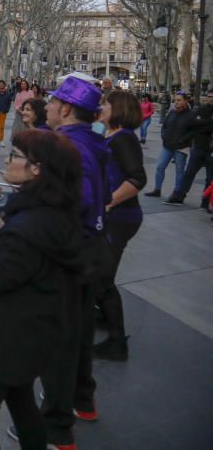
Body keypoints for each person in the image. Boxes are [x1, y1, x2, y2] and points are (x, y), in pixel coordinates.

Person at [0, 129, 83, 450]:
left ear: (36, 168)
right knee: (23, 405)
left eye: (15, 156)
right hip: (30, 336)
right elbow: (16, 255)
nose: (7, 160)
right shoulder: (53, 212)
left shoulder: (30, 225)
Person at [38, 75, 111, 447]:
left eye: (51, 101)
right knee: (80, 333)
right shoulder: (92, 142)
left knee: (58, 340)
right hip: (94, 247)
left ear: (66, 109)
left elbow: (74, 201)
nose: (46, 106)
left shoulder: (66, 146)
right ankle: (84, 400)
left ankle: (56, 426)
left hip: (71, 253)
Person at [94, 90, 145, 362]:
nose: (101, 107)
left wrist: (109, 203)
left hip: (121, 219)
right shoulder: (112, 136)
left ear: (118, 109)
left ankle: (117, 342)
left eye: (105, 103)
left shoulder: (123, 138)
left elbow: (137, 179)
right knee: (100, 272)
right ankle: (103, 316)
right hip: (115, 218)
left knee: (103, 278)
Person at [163, 88, 213, 206]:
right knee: (188, 173)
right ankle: (178, 197)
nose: (211, 98)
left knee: (210, 178)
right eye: (210, 96)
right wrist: (209, 122)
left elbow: (201, 125)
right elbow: (193, 123)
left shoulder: (201, 111)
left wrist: (202, 123)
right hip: (198, 147)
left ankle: (205, 203)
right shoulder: (203, 108)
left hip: (210, 149)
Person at [143, 91, 192, 198]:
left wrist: (182, 141)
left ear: (185, 101)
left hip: (180, 147)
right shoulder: (172, 112)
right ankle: (157, 189)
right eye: (175, 100)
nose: (176, 102)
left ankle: (177, 193)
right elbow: (164, 125)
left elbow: (192, 132)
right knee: (160, 167)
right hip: (167, 145)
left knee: (179, 171)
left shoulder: (190, 115)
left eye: (179, 100)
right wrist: (164, 136)